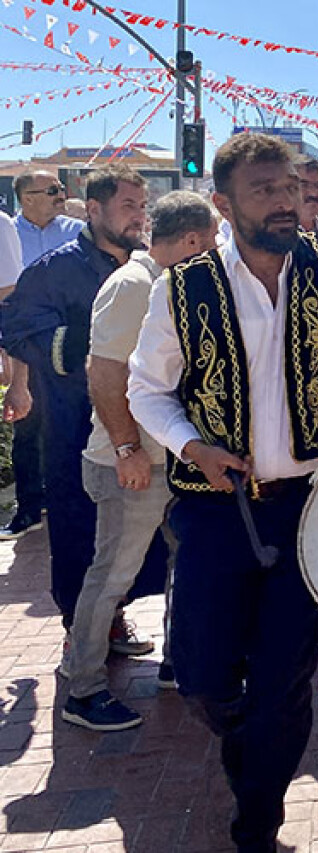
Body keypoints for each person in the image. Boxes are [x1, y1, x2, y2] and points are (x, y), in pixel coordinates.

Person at [127, 133, 318, 852]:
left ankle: (258, 822)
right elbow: (146, 389)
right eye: (266, 190)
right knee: (200, 676)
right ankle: (247, 749)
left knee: (288, 675)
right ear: (224, 203)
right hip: (215, 508)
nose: (287, 202)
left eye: (290, 188)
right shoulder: (183, 286)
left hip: (310, 506)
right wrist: (192, 445)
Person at [61, 191, 219, 731]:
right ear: (193, 240)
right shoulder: (133, 285)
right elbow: (105, 374)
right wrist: (128, 448)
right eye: (213, 241)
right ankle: (81, 689)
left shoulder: (168, 282)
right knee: (112, 576)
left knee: (185, 564)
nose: (217, 251)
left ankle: (177, 663)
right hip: (130, 463)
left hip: (166, 458)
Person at [0, 165, 158, 645]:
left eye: (142, 207)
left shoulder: (149, 265)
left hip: (138, 425)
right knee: (79, 528)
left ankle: (115, 615)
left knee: (131, 533)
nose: (138, 217)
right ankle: (83, 635)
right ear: (94, 209)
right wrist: (88, 349)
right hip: (73, 424)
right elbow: (17, 330)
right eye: (128, 206)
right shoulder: (55, 269)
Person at [2, 169, 84, 541]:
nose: (60, 195)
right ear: (27, 197)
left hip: (68, 347)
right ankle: (29, 508)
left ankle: (69, 500)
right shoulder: (9, 235)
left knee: (72, 425)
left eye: (60, 188)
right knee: (27, 427)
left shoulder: (76, 233)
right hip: (27, 348)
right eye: (52, 190)